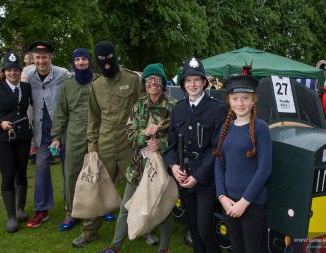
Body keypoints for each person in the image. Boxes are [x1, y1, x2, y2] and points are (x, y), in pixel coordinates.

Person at [71, 41, 142, 247]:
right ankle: (89, 232)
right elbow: (93, 118)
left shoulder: (131, 79)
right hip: (105, 146)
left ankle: (143, 228)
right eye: (101, 59)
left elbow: (142, 107)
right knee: (96, 189)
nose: (106, 63)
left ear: (115, 56)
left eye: (109, 58)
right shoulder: (96, 86)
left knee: (137, 188)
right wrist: (92, 146)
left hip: (129, 145)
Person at [101, 63, 176, 253]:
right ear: (144, 83)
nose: (153, 83)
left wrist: (162, 144)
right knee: (127, 206)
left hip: (162, 167)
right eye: (149, 79)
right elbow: (130, 135)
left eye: (157, 79)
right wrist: (144, 135)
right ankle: (115, 246)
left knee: (164, 208)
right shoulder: (138, 105)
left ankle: (164, 248)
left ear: (163, 82)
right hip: (138, 166)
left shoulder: (173, 106)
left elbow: (178, 138)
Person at [164, 57, 226, 253]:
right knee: (193, 228)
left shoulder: (217, 108)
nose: (192, 84)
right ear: (183, 84)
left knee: (205, 228)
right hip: (183, 178)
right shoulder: (178, 109)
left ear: (204, 82)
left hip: (205, 181)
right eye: (188, 80)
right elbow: (171, 145)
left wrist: (197, 177)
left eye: (196, 80)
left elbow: (217, 148)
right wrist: (173, 166)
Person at [214, 72, 272, 253]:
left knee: (253, 249)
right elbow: (219, 164)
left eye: (245, 98)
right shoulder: (227, 128)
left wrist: (244, 203)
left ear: (253, 100)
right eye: (235, 98)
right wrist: (222, 197)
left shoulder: (261, 127)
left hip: (251, 203)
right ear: (229, 101)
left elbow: (264, 170)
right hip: (229, 203)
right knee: (236, 247)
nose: (240, 103)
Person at [21, 40, 71, 228]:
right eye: (38, 57)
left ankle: (72, 206)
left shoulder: (63, 74)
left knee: (70, 169)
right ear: (32, 58)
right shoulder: (28, 74)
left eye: (45, 57)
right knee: (41, 168)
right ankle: (42, 209)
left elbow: (79, 85)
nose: (41, 61)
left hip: (64, 130)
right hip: (42, 134)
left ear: (50, 57)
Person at [0, 52, 33, 233]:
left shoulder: (26, 87)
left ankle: (20, 209)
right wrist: (0, 122)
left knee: (21, 172)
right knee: (8, 174)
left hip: (22, 137)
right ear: (4, 71)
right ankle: (11, 216)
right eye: (9, 70)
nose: (12, 73)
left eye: (15, 70)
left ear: (20, 70)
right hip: (2, 139)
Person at [50, 48, 94, 231]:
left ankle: (98, 209)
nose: (81, 62)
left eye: (84, 59)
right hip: (74, 134)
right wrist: (56, 137)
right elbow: (61, 113)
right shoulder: (67, 85)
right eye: (77, 60)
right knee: (71, 174)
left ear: (89, 61)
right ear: (73, 63)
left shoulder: (98, 81)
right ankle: (71, 211)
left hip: (96, 132)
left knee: (97, 172)